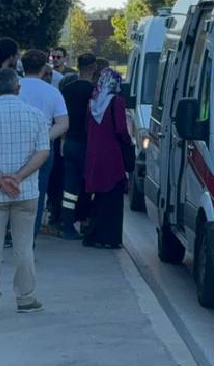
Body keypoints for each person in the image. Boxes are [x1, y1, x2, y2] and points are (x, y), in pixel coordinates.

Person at [0, 68, 50, 314]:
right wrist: (19, 177)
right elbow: (43, 152)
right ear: (18, 88)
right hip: (26, 193)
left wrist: (1, 180)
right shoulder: (35, 116)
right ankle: (26, 299)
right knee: (23, 247)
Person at [18, 50, 69, 235]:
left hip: (16, 146)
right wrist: (44, 138)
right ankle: (32, 232)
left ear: (22, 67)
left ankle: (11, 230)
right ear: (43, 68)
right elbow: (63, 124)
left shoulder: (14, 88)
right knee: (38, 192)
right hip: (43, 149)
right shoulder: (53, 92)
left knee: (12, 188)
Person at [84, 67, 132, 248]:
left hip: (94, 154)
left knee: (99, 197)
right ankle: (110, 238)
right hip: (112, 156)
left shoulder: (92, 103)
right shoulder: (116, 102)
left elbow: (86, 128)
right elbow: (121, 130)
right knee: (113, 199)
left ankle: (94, 234)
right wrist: (129, 143)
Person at [57, 53, 98, 240]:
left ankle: (67, 224)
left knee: (69, 186)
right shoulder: (95, 91)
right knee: (88, 185)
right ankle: (86, 221)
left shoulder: (67, 89)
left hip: (70, 141)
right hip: (88, 144)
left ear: (78, 66)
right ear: (94, 67)